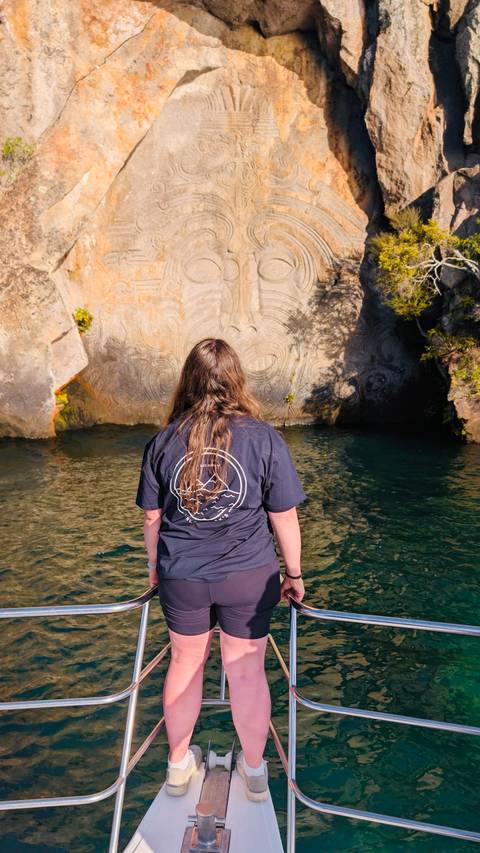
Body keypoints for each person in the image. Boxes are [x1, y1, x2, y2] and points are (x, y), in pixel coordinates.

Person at [135, 338, 307, 802]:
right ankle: (253, 773)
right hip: (248, 576)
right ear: (236, 379)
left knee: (185, 662)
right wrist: (294, 574)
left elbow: (153, 518)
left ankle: (176, 767)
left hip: (182, 576)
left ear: (188, 381)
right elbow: (284, 516)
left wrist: (155, 568)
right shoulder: (264, 437)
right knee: (247, 671)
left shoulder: (162, 441)